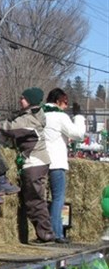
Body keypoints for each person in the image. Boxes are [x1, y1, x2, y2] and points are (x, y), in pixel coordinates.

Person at [0, 87, 54, 244]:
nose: (20, 100)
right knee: (34, 199)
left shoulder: (30, 119)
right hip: (37, 161)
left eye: (23, 98)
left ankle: (46, 235)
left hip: (34, 162)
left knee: (35, 200)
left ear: (30, 101)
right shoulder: (34, 115)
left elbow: (10, 128)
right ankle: (44, 233)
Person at [43, 88, 85, 244]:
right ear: (58, 101)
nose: (66, 106)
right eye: (65, 102)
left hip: (39, 161)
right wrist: (79, 116)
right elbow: (78, 134)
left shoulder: (40, 114)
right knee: (58, 198)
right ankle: (57, 232)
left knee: (41, 198)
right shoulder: (60, 117)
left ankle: (44, 230)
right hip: (56, 161)